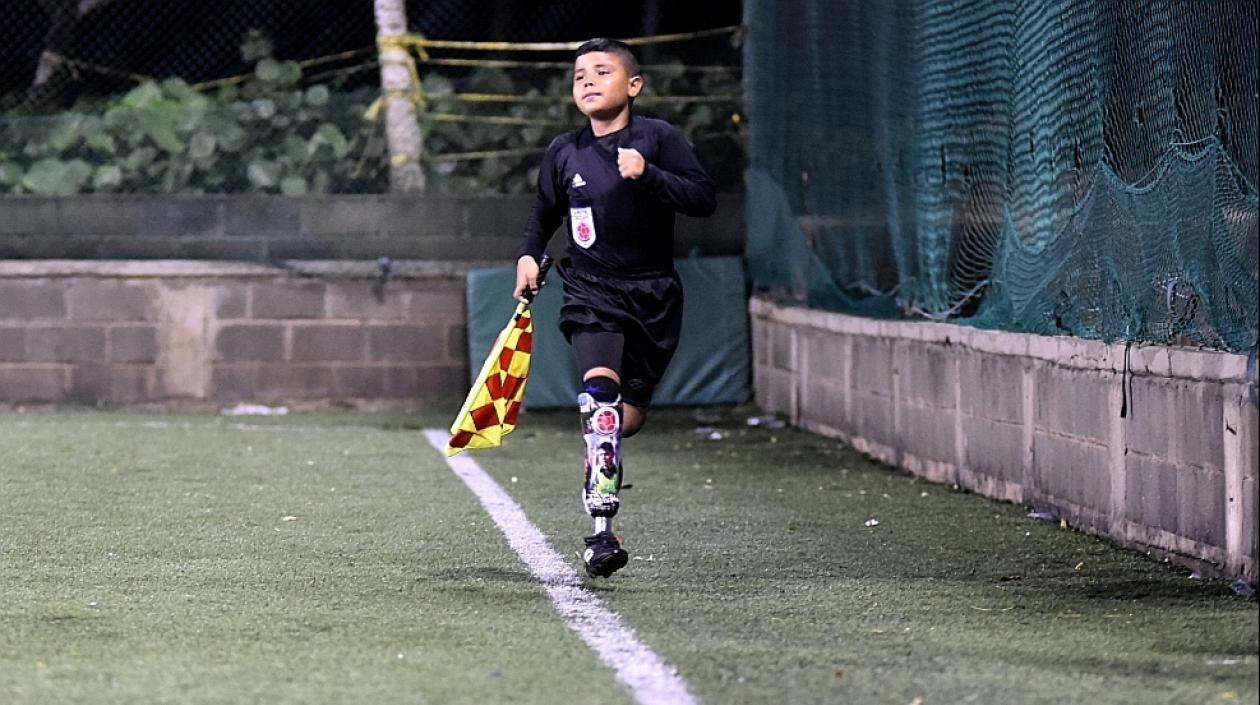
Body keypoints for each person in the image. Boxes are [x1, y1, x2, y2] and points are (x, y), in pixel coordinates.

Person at [513, 37, 716, 578]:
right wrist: (530, 256)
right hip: (590, 290)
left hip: (653, 296)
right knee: (601, 399)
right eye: (579, 74)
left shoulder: (656, 138)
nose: (587, 81)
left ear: (632, 86)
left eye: (602, 72)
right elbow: (543, 213)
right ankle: (602, 533)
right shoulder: (564, 151)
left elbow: (703, 197)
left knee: (625, 421)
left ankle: (600, 447)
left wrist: (647, 174)